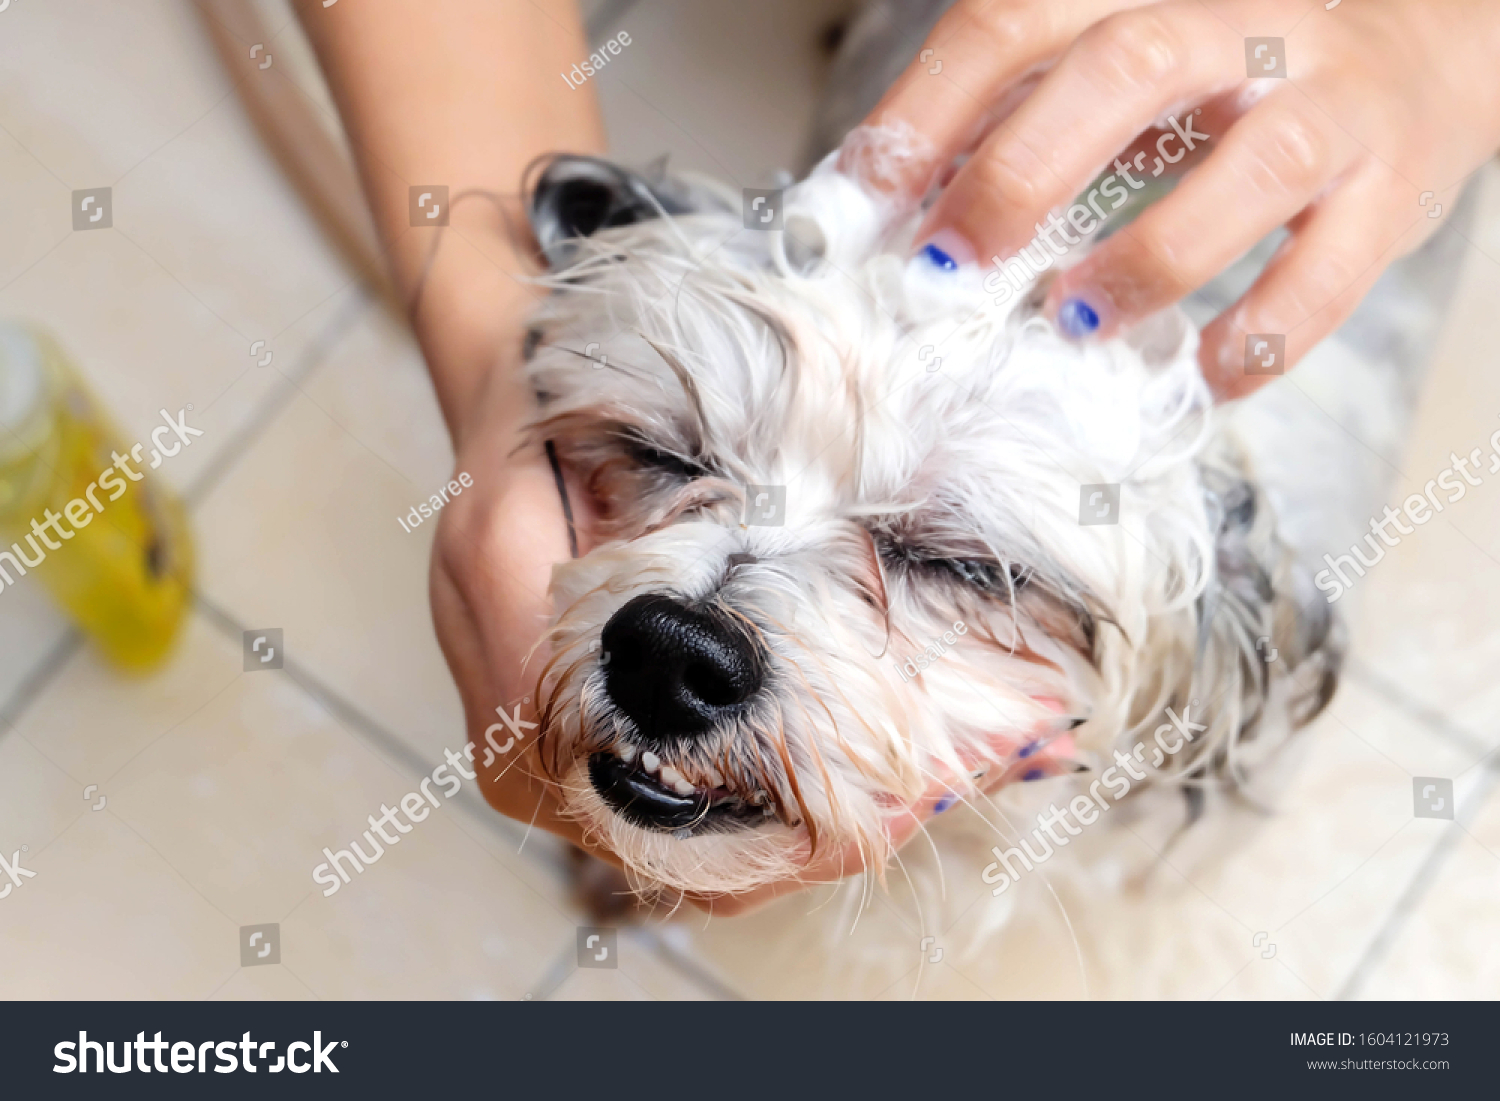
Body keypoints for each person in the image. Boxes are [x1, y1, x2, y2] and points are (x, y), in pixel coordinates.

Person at [296, 0, 1500, 913]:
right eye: (665, 453)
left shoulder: (1267, 598)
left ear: (1224, 659)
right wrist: (499, 363)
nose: (688, 620)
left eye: (957, 560)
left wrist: (1441, 48)